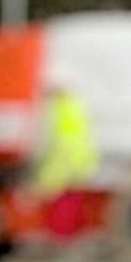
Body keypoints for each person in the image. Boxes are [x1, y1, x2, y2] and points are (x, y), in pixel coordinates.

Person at [31, 64, 97, 244]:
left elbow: (53, 142)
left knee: (61, 214)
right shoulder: (73, 105)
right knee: (70, 209)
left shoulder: (58, 109)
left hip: (61, 170)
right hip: (74, 168)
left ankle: (62, 243)